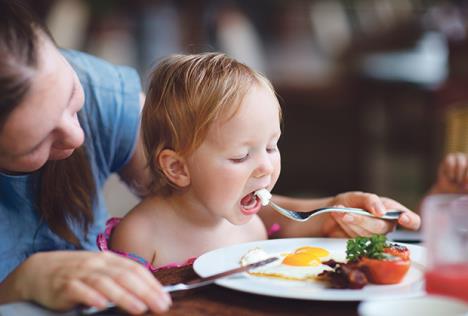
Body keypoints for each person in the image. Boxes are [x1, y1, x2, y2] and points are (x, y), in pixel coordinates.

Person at [0, 1, 420, 313]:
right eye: (35, 143)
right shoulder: (141, 237)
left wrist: (321, 212)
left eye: (74, 100)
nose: (78, 135)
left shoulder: (102, 93)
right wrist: (17, 284)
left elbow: (206, 195)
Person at [100, 53, 421, 270]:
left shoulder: (252, 225)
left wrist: (346, 213)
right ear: (178, 168)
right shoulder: (140, 237)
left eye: (271, 147)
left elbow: (299, 229)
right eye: (241, 155)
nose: (266, 167)